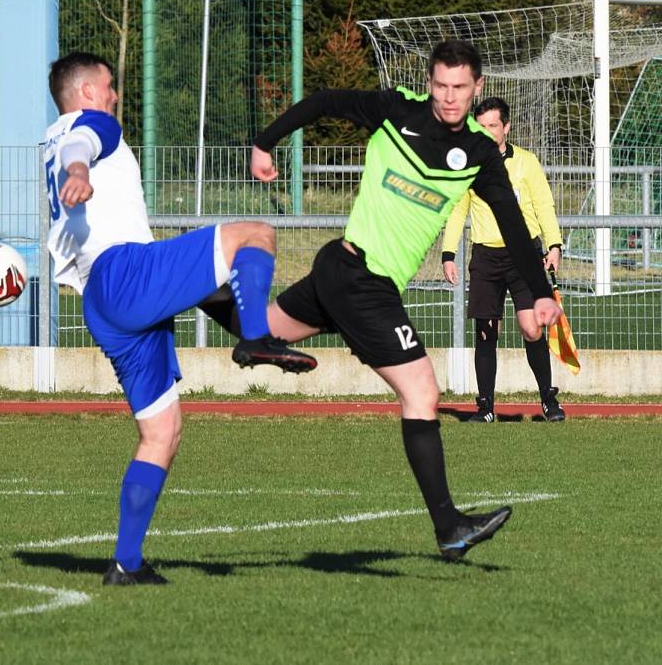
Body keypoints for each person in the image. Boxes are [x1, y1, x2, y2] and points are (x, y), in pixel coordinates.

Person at [249, 40, 562, 561]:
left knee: (259, 327)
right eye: (440, 85)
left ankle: (188, 310)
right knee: (422, 391)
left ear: (477, 87)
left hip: (343, 271)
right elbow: (326, 99)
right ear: (430, 81)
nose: (448, 97)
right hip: (361, 278)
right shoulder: (397, 111)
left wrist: (543, 294)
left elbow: (512, 222)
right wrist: (265, 142)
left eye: (460, 88)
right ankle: (448, 526)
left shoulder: (481, 155)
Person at [43, 52, 316, 586]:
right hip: (123, 273)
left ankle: (126, 563)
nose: (115, 95)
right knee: (254, 235)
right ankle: (257, 338)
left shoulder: (50, 138)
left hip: (101, 300)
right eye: (108, 86)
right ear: (87, 93)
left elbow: (74, 154)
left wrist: (75, 170)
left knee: (162, 433)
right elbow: (84, 146)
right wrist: (80, 170)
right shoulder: (87, 125)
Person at [441, 97, 565, 423]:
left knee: (531, 328)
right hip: (485, 256)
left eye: (492, 125)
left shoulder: (527, 162)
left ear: (506, 127)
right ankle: (485, 409)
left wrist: (554, 245)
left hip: (524, 254)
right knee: (486, 331)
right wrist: (448, 253)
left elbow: (544, 205)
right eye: (479, 126)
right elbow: (457, 211)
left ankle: (549, 400)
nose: (486, 131)